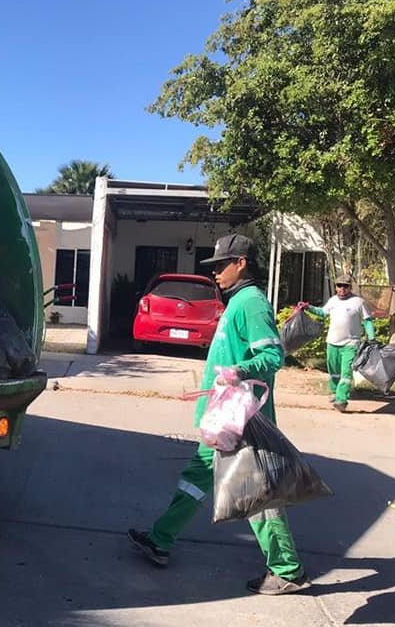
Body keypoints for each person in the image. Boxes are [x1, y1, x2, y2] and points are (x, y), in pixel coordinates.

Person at [128, 233, 309, 595]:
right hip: (222, 415)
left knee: (257, 492)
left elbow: (273, 357)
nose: (215, 274)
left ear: (241, 263)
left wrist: (239, 372)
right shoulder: (239, 300)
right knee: (197, 476)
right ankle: (160, 540)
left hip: (241, 418)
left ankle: (287, 569)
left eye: (221, 266)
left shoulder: (252, 303)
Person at [298, 274, 374, 413]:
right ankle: (335, 393)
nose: (342, 289)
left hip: (350, 344)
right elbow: (322, 312)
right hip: (332, 342)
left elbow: (368, 320)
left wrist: (372, 337)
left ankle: (341, 400)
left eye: (345, 286)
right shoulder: (333, 301)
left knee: (346, 373)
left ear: (350, 287)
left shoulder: (358, 302)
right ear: (336, 287)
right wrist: (308, 307)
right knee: (334, 372)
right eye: (339, 286)